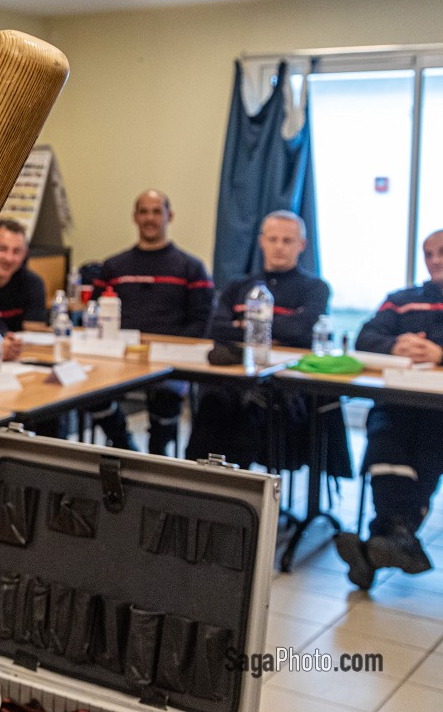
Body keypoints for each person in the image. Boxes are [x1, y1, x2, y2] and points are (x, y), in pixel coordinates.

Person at [335, 228, 443, 590]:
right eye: (428, 254)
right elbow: (366, 336)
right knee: (383, 429)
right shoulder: (401, 300)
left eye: (441, 252)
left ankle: (373, 547)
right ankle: (396, 538)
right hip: (398, 403)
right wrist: (395, 344)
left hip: (438, 411)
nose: (435, 260)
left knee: (429, 434)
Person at [185, 211, 332, 467]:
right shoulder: (237, 286)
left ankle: (244, 496)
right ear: (261, 241)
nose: (279, 247)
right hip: (231, 378)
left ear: (302, 245)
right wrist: (269, 332)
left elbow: (300, 331)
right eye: (273, 239)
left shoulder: (315, 288)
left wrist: (243, 326)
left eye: (287, 241)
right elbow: (217, 330)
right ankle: (199, 486)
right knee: (212, 406)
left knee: (253, 410)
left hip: (283, 387)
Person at [91, 190, 215, 453]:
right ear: (135, 217)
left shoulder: (191, 267)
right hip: (119, 358)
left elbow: (202, 320)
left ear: (169, 216)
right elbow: (96, 312)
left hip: (172, 362)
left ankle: (158, 458)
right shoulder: (114, 266)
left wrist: (175, 352)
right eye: (144, 211)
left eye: (157, 211)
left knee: (166, 401)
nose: (150, 218)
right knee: (89, 394)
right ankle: (125, 446)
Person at [0, 219, 47, 332]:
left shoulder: (33, 283)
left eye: (16, 251)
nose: (9, 258)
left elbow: (34, 329)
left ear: (25, 254)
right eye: (2, 249)